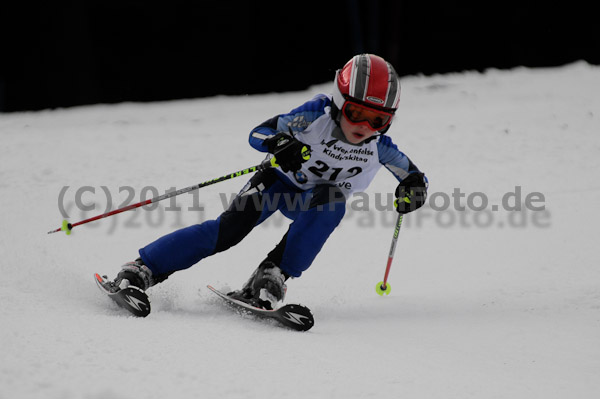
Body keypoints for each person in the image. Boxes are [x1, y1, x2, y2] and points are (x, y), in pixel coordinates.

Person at [108, 54, 428, 310]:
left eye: (379, 120)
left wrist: (413, 191)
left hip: (313, 201)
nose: (365, 126)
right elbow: (258, 133)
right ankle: (143, 268)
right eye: (356, 112)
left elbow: (413, 176)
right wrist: (280, 144)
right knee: (228, 232)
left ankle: (273, 273)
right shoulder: (315, 115)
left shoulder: (378, 146)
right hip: (276, 184)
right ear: (339, 101)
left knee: (333, 203)